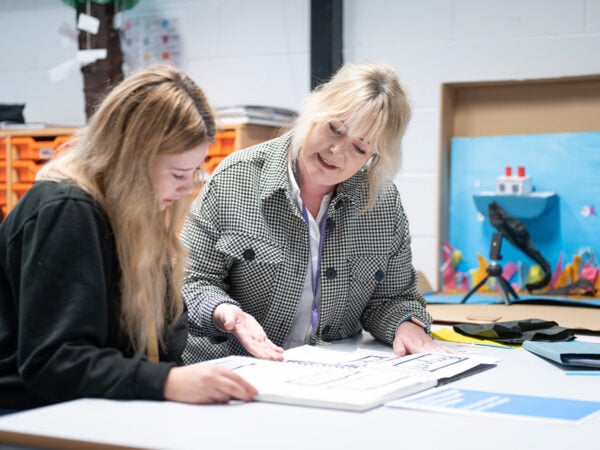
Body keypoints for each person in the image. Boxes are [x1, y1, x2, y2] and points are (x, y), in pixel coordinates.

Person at [0, 64, 257, 413]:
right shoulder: (66, 211)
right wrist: (166, 382)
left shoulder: (135, 213)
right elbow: (54, 361)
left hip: (98, 407)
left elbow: (159, 341)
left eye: (193, 172)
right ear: (130, 161)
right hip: (34, 416)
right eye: (178, 173)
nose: (187, 188)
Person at [180, 61, 450, 363]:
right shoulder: (237, 178)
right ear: (313, 111)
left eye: (359, 149)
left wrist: (405, 324)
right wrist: (227, 313)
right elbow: (191, 282)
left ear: (375, 156)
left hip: (328, 373)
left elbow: (393, 297)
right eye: (334, 129)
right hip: (232, 366)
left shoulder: (382, 204)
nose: (337, 152)